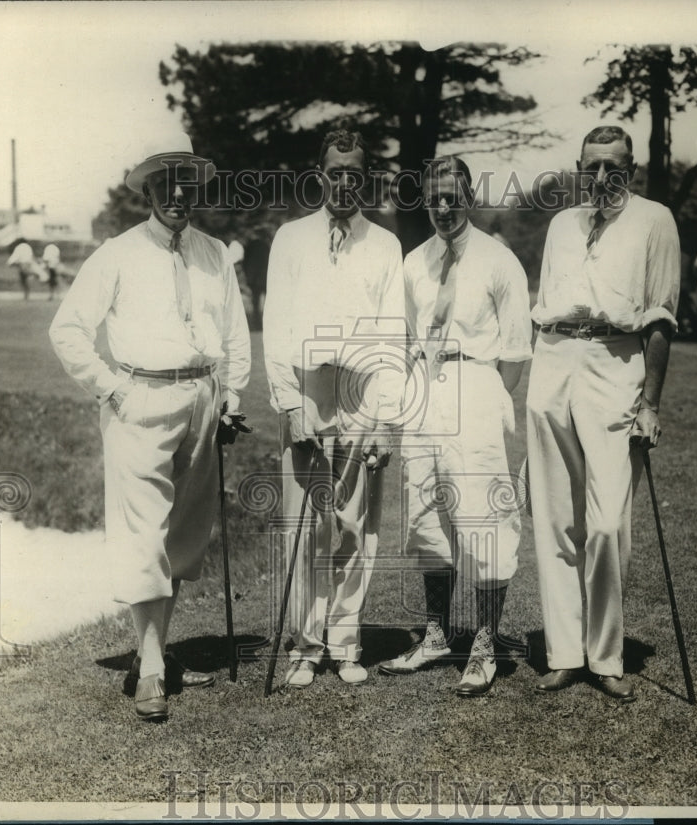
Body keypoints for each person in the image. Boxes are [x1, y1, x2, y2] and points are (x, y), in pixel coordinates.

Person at [49, 131, 252, 721]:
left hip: (202, 399)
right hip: (139, 399)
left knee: (182, 535)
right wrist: (114, 389)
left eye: (187, 183)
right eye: (166, 184)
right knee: (142, 532)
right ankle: (154, 665)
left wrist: (231, 396)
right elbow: (67, 331)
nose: (177, 195)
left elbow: (235, 335)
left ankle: (153, 651)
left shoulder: (214, 253)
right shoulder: (117, 253)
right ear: (149, 190)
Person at [526, 125, 680, 702]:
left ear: (631, 170)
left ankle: (606, 655)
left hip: (616, 363)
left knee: (608, 522)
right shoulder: (560, 224)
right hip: (553, 359)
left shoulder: (655, 219)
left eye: (612, 167)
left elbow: (661, 316)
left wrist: (652, 402)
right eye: (590, 166)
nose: (600, 177)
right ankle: (565, 653)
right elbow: (545, 302)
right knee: (556, 517)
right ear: (578, 166)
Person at [377, 157, 532, 697]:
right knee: (426, 514)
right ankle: (439, 634)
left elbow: (515, 356)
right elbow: (402, 339)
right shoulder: (415, 262)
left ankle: (485, 644)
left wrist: (481, 396)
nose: (443, 208)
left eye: (452, 197)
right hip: (425, 393)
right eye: (434, 198)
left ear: (468, 196)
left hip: (477, 392)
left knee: (483, 517)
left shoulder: (498, 260)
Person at [262, 128, 404, 688]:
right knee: (306, 521)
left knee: (353, 523)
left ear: (365, 178)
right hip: (307, 387)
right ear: (319, 175)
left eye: (355, 173)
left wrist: (385, 418)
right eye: (335, 172)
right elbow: (276, 329)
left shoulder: (386, 244)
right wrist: (290, 403)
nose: (344, 182)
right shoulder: (290, 239)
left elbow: (394, 337)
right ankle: (304, 645)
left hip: (362, 390)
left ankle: (345, 643)